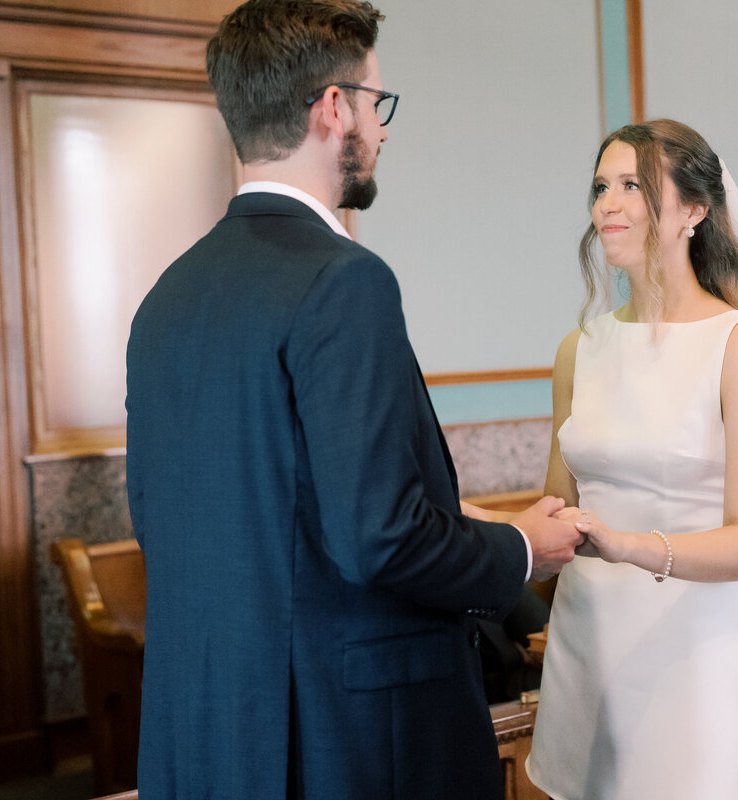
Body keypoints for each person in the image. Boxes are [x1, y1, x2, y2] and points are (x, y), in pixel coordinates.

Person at [124, 1, 581, 797]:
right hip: (346, 740)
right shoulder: (344, 279)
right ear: (334, 109)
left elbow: (174, 516)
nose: (383, 127)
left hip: (208, 732)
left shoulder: (167, 296)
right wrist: (519, 551)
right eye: (377, 103)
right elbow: (377, 538)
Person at [525, 119, 738, 799]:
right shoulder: (581, 349)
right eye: (602, 186)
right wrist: (472, 521)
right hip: (588, 652)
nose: (609, 203)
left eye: (634, 185)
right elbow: (557, 512)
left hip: (693, 660)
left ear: (695, 209)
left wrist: (627, 545)